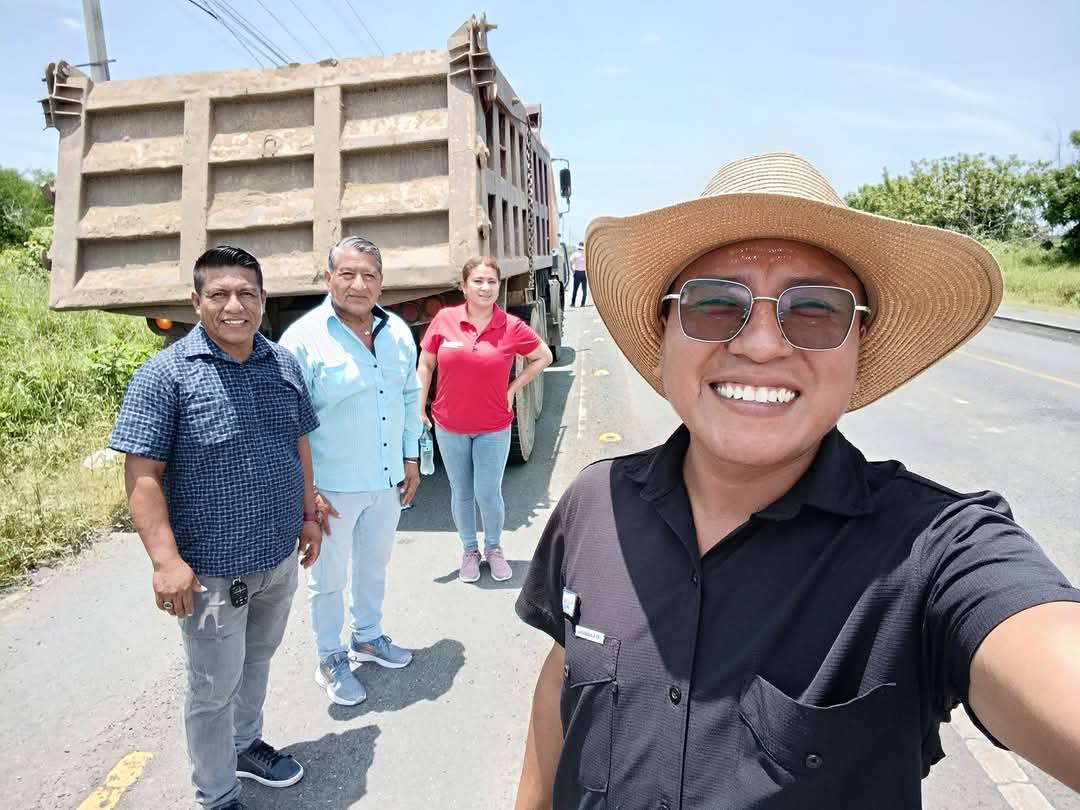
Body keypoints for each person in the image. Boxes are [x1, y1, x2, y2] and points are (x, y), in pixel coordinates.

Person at [513, 153, 1080, 808]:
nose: (760, 345)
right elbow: (564, 677)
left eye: (814, 310)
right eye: (714, 304)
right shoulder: (595, 503)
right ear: (664, 335)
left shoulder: (930, 551)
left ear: (860, 343)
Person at [110, 246, 323, 810]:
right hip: (211, 573)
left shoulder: (282, 364)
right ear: (196, 301)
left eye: (247, 293)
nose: (235, 306)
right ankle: (217, 793)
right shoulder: (165, 376)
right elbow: (143, 476)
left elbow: (298, 443)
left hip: (278, 557)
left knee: (257, 660)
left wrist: (308, 516)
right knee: (211, 687)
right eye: (220, 294)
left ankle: (244, 745)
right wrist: (165, 562)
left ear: (263, 299)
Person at [279, 236, 422, 707]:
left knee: (374, 565)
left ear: (381, 283)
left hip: (386, 480)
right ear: (328, 279)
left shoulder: (397, 331)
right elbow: (286, 422)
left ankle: (367, 636)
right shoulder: (303, 339)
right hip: (332, 490)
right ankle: (330, 658)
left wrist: (411, 458)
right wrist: (308, 492)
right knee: (326, 579)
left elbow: (408, 397)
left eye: (369, 276)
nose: (359, 284)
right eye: (347, 274)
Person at [417, 256, 552, 583]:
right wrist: (419, 408)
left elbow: (543, 357)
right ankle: (469, 551)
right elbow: (426, 364)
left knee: (488, 493)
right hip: (449, 425)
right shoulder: (445, 320)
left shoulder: (511, 326)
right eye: (477, 281)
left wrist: (514, 388)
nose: (485, 287)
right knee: (461, 492)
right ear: (463, 286)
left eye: (492, 281)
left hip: (493, 425)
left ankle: (493, 548)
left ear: (498, 286)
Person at [569, 241, 587, 307]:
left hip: (577, 273)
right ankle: (583, 303)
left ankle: (573, 303)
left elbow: (570, 261)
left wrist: (572, 270)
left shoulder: (575, 254)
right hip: (584, 273)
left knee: (575, 289)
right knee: (584, 289)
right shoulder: (586, 254)